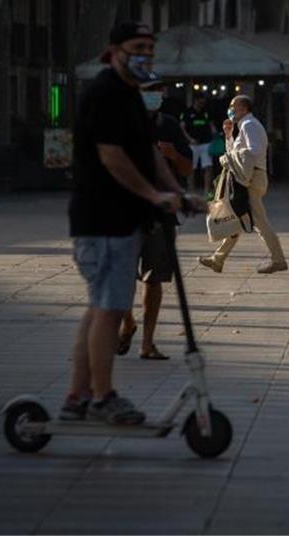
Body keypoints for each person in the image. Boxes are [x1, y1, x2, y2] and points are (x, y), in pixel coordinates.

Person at [63, 22, 201, 425]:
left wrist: (178, 192)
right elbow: (113, 157)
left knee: (101, 308)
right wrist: (153, 195)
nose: (145, 55)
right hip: (102, 218)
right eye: (137, 47)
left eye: (149, 49)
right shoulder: (105, 93)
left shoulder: (130, 96)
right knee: (108, 309)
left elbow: (148, 154)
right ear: (114, 51)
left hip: (122, 221)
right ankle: (101, 396)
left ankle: (77, 397)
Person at [118, 79, 192, 361]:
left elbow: (187, 166)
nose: (155, 95)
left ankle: (147, 343)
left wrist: (173, 155)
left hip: (161, 215)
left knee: (155, 277)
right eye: (149, 90)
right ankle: (128, 322)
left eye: (158, 90)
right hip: (125, 212)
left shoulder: (169, 125)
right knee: (121, 275)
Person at [198, 95, 288, 275]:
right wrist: (229, 136)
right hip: (247, 178)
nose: (230, 109)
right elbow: (237, 153)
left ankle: (278, 260)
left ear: (244, 108)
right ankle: (218, 259)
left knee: (259, 222)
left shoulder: (249, 125)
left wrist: (228, 158)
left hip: (250, 179)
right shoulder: (244, 126)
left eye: (233, 106)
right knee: (236, 218)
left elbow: (250, 154)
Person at [181, 97, 218, 193]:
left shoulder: (206, 112)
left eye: (203, 103)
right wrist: (189, 139)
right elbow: (182, 127)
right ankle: (191, 191)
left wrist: (214, 131)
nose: (202, 105)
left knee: (208, 167)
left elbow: (211, 124)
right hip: (193, 144)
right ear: (195, 101)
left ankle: (206, 191)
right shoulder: (187, 112)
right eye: (200, 102)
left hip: (206, 143)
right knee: (191, 168)